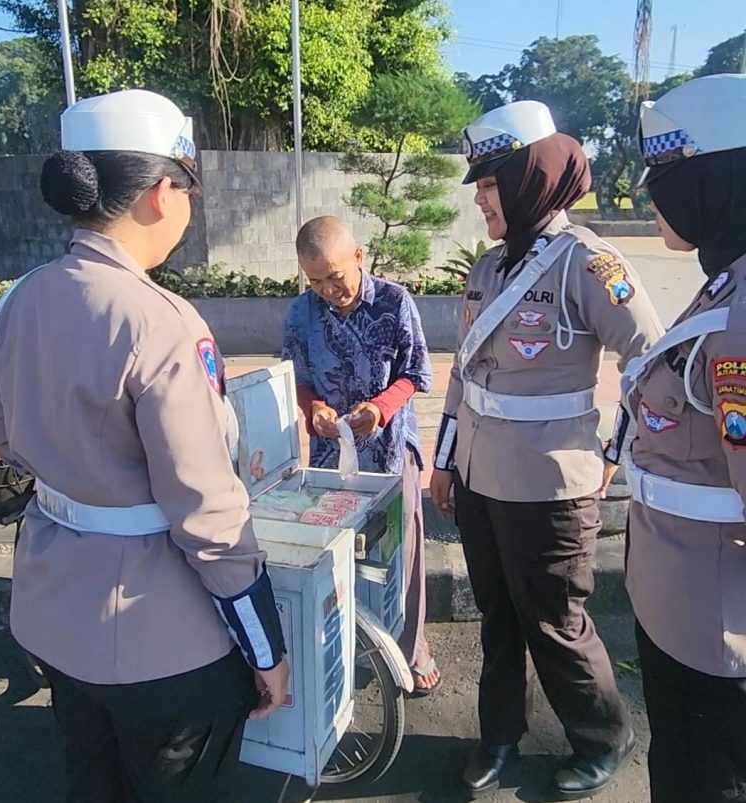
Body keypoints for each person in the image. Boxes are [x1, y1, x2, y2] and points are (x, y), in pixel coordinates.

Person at [0, 89, 289, 803]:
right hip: (161, 642)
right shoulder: (161, 322)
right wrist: (266, 647)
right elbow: (209, 516)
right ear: (161, 193)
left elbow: (1, 443)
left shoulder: (19, 298)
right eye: (189, 188)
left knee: (91, 781)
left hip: (51, 615)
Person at [429, 100, 664, 799]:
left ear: (531, 178)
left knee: (556, 623)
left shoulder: (590, 264)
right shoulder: (487, 267)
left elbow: (651, 361)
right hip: (477, 477)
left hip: (551, 486)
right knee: (496, 616)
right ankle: (499, 735)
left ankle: (603, 735)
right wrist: (444, 460)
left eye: (491, 181)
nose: (478, 196)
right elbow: (462, 375)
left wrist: (614, 450)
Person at [614, 73, 746, 803]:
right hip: (683, 610)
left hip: (714, 634)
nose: (652, 195)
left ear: (720, 178)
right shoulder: (724, 281)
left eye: (667, 176)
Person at [281, 215, 440, 695]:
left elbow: (417, 373)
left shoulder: (394, 302)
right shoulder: (300, 313)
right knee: (339, 556)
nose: (329, 289)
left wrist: (381, 407)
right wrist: (316, 409)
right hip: (333, 458)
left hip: (391, 451)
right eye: (316, 280)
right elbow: (298, 378)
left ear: (358, 256)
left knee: (401, 554)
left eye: (336, 276)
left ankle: (413, 649)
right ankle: (347, 644)